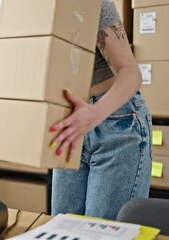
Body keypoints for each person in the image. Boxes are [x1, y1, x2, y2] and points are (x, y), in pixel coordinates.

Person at [50, 0, 152, 221]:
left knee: (101, 233)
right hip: (72, 125)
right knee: (63, 228)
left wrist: (94, 114)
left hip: (116, 122)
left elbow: (131, 73)